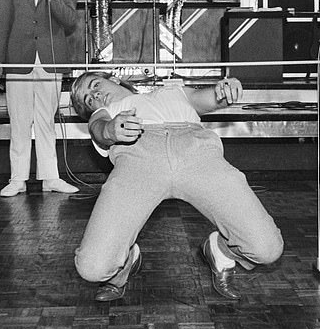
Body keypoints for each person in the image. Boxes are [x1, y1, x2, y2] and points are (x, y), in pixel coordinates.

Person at [69, 72, 283, 301]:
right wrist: (111, 129)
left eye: (95, 85)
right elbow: (98, 129)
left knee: (267, 249)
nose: (96, 94)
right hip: (138, 158)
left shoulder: (172, 91)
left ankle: (220, 251)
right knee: (93, 267)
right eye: (89, 100)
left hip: (197, 153)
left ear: (114, 79)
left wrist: (226, 89)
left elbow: (212, 97)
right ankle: (126, 261)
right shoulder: (107, 113)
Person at [0, 0, 80, 197]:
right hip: (19, 58)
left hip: (51, 59)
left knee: (46, 121)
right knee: (19, 122)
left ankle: (50, 178)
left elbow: (69, 22)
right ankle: (17, 179)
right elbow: (2, 23)